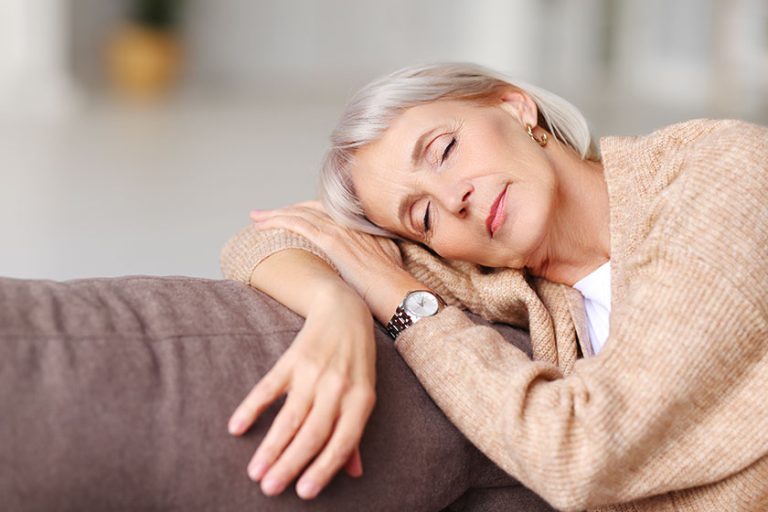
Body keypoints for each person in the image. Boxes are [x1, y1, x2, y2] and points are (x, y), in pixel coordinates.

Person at [220, 62, 768, 511]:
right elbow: (269, 237)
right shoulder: (506, 282)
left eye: (443, 150)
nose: (452, 199)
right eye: (422, 217)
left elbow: (580, 454)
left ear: (513, 107)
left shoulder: (718, 172)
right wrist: (333, 304)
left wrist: (405, 307)